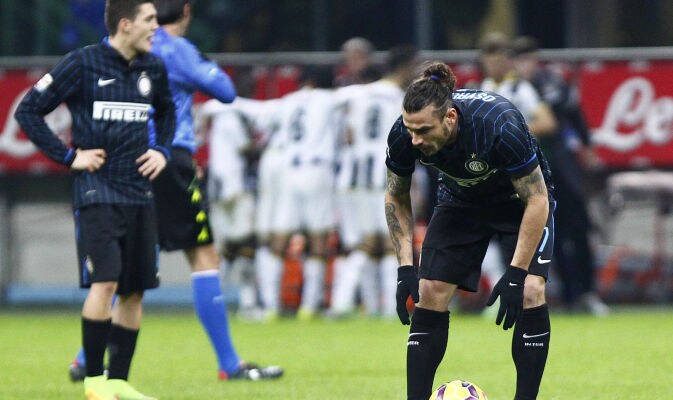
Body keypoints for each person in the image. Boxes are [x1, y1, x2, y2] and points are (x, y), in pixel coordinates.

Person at [68, 0, 283, 382]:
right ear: (185, 11)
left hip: (123, 159)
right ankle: (229, 363)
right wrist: (200, 61)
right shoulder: (177, 49)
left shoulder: (116, 46)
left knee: (123, 265)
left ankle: (86, 358)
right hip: (168, 159)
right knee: (203, 256)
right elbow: (225, 90)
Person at [15, 1, 175, 399]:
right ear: (125, 24)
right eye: (149, 20)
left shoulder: (152, 68)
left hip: (139, 191)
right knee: (106, 281)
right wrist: (70, 157)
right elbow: (28, 111)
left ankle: (118, 381)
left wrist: (162, 151)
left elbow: (167, 112)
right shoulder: (82, 63)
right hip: (96, 190)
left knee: (134, 291)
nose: (156, 27)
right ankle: (93, 382)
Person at [385, 62, 555, 400]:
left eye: (424, 130)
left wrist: (516, 273)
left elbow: (537, 199)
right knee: (429, 290)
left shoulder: (499, 125)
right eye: (410, 129)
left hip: (519, 202)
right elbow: (396, 195)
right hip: (460, 199)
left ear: (450, 118)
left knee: (531, 290)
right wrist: (405, 267)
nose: (415, 139)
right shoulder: (405, 135)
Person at [510, 36, 609, 315]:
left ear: (535, 59)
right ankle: (568, 296)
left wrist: (587, 146)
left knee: (578, 230)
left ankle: (588, 292)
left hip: (562, 169)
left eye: (528, 58)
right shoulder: (509, 89)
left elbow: (572, 116)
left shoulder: (550, 83)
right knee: (552, 235)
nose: (524, 65)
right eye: (519, 59)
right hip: (531, 174)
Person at [328, 45, 418, 318]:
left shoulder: (357, 93)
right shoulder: (401, 99)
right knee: (391, 242)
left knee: (362, 243)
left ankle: (345, 303)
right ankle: (389, 308)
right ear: (404, 67)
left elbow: (344, 130)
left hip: (352, 176)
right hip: (383, 175)